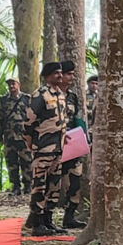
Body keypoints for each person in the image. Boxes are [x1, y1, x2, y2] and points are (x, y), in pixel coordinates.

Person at [25, 62, 68, 236]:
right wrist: (31, 144)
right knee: (39, 186)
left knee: (54, 186)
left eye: (60, 72)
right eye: (56, 73)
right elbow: (28, 122)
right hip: (43, 148)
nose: (59, 75)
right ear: (47, 76)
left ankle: (48, 221)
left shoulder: (60, 94)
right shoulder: (40, 95)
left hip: (58, 149)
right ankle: (36, 223)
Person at [53, 60, 86, 229]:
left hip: (72, 144)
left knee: (75, 181)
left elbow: (78, 118)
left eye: (72, 74)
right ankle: (45, 218)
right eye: (68, 74)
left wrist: (84, 135)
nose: (71, 77)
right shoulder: (49, 95)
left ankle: (70, 215)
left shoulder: (72, 96)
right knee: (53, 182)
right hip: (53, 146)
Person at [0, 78, 32, 195]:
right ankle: (15, 186)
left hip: (23, 137)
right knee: (11, 162)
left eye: (13, 84)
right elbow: (0, 118)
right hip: (9, 136)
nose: (11, 86)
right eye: (9, 84)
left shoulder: (27, 99)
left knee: (26, 162)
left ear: (19, 85)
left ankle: (28, 186)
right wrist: (0, 134)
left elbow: (32, 117)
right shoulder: (3, 100)